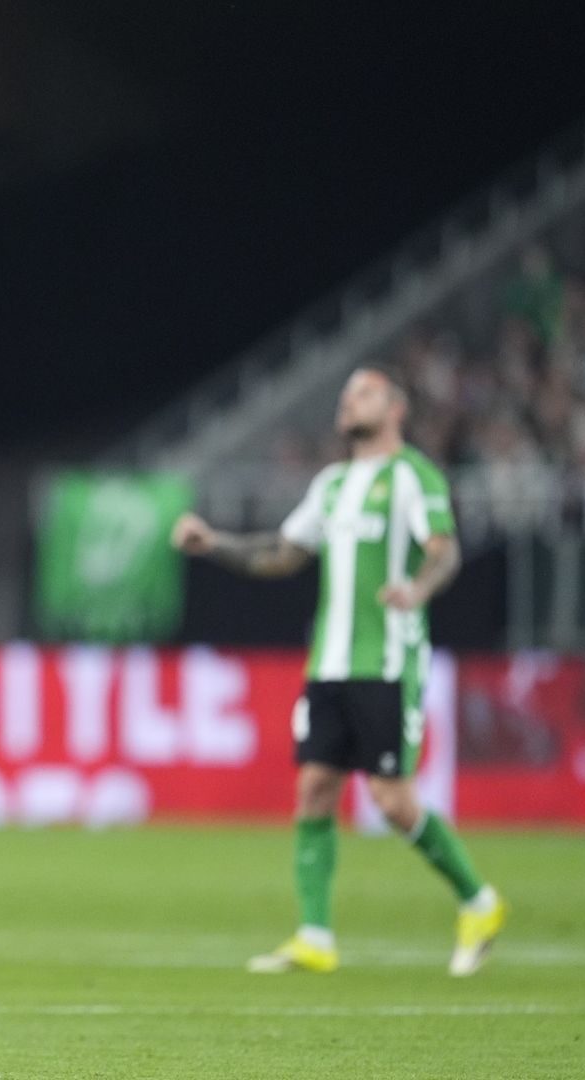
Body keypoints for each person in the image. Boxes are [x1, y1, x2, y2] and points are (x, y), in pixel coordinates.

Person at [172, 366, 507, 977]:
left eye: (364, 393)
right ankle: (315, 937)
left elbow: (444, 549)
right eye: (346, 394)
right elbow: (282, 554)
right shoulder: (332, 485)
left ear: (396, 407)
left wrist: (417, 588)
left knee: (390, 798)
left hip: (385, 661)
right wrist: (213, 544)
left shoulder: (413, 477)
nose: (349, 402)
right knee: (314, 790)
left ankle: (479, 901)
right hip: (328, 663)